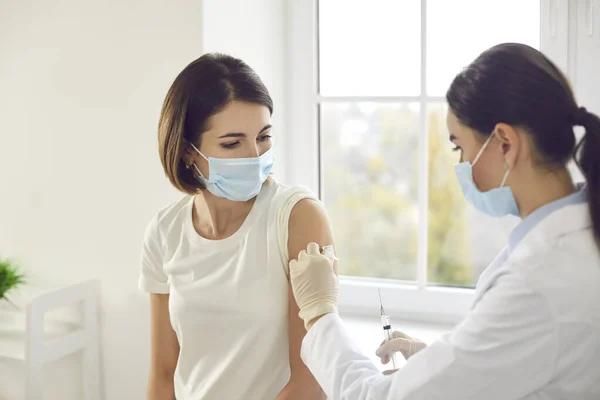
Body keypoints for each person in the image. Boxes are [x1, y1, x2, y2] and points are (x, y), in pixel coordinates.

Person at [289, 43, 600, 399]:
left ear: (504, 143)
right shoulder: (578, 237)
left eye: (459, 147)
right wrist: (434, 361)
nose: (462, 164)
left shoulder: (538, 280)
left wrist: (319, 314)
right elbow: (529, 359)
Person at [138, 53, 333, 399]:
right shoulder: (165, 232)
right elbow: (164, 372)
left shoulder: (298, 218)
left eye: (263, 136)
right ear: (187, 152)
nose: (255, 155)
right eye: (232, 143)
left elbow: (311, 381)